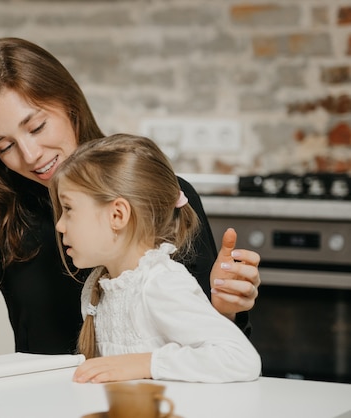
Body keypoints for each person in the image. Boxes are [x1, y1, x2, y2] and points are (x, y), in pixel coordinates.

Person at [0, 37, 261, 358]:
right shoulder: (0, 211)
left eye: (36, 127)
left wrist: (226, 309)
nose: (31, 155)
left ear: (70, 105)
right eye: (5, 146)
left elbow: (220, 352)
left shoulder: (163, 196)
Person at [49, 133, 261, 383]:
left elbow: (242, 359)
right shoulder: (97, 288)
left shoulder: (161, 284)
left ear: (117, 215)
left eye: (69, 209)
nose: (60, 225)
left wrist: (148, 363)